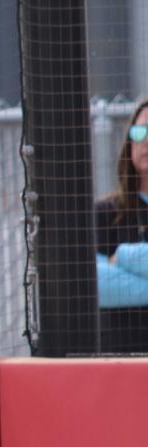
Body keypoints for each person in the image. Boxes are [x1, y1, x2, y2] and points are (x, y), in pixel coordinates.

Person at [94, 100, 148, 308]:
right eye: (139, 132)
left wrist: (123, 256)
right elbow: (93, 284)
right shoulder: (104, 213)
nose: (145, 141)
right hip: (120, 338)